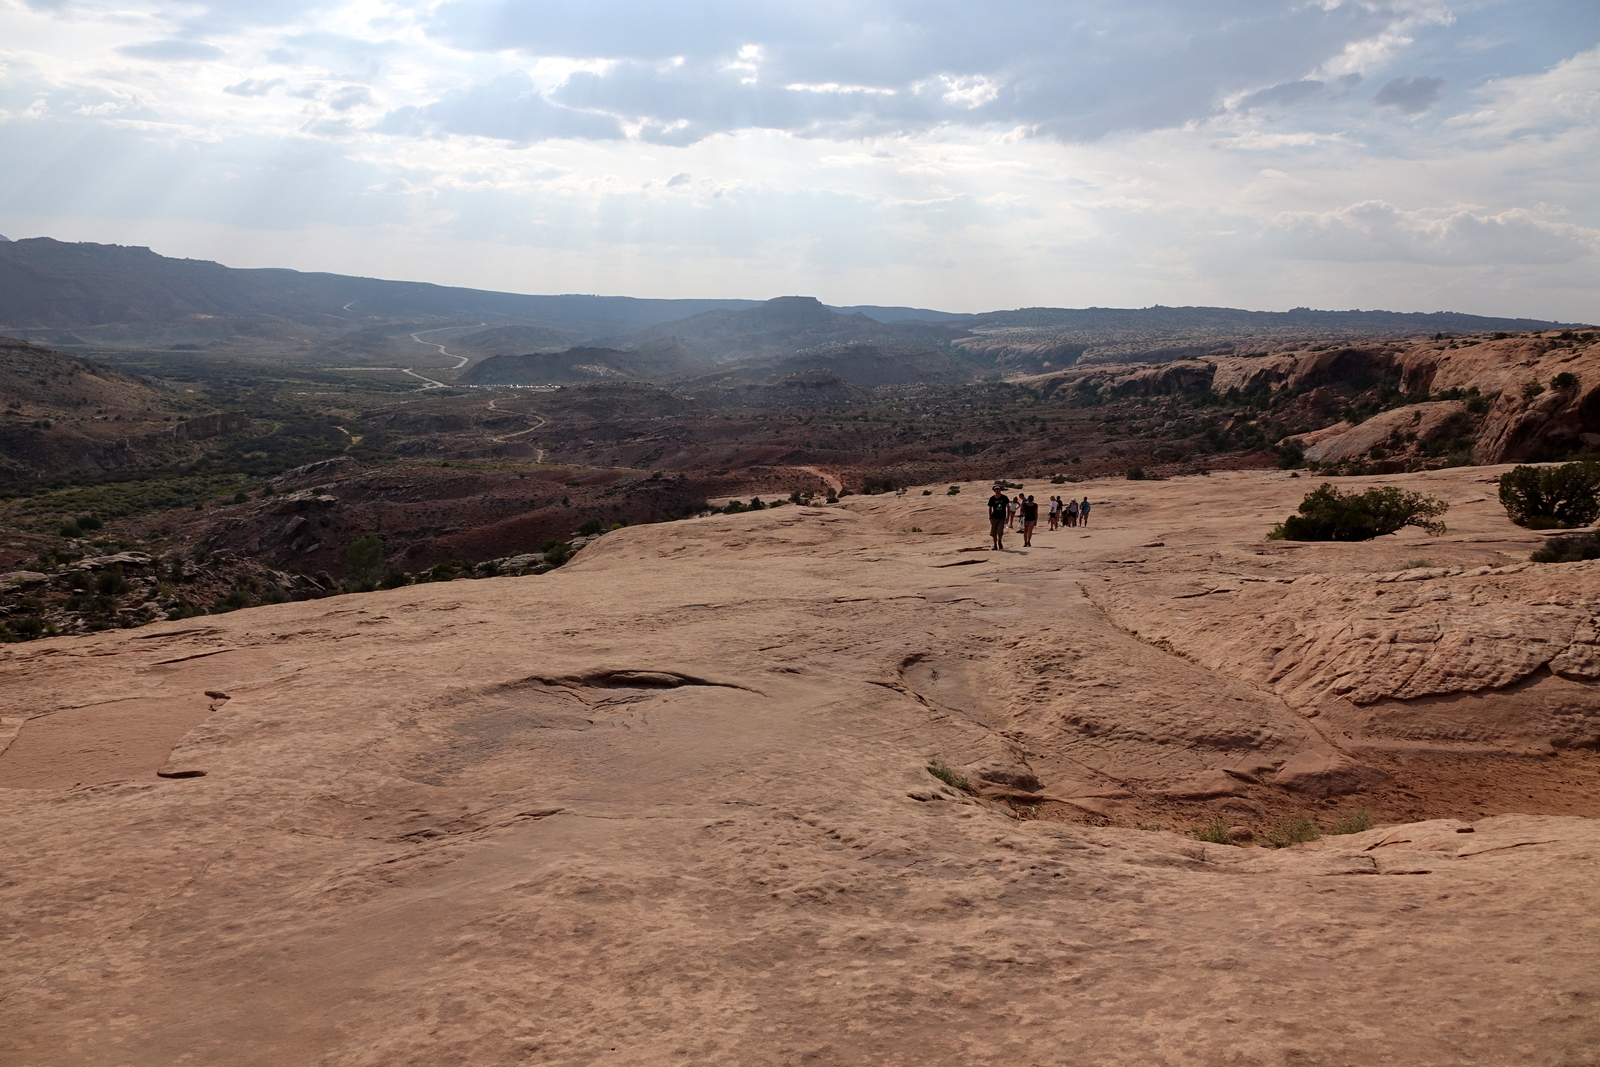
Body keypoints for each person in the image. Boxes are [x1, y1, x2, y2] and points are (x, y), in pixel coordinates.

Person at [987, 485, 1009, 550]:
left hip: (1002, 517)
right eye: (996, 489)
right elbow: (990, 508)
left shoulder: (1004, 497)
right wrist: (990, 518)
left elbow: (1008, 507)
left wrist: (1008, 518)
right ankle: (995, 544)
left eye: (998, 489)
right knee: (993, 532)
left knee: (1000, 531)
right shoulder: (992, 498)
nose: (997, 491)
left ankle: (999, 541)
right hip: (994, 517)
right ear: (994, 491)